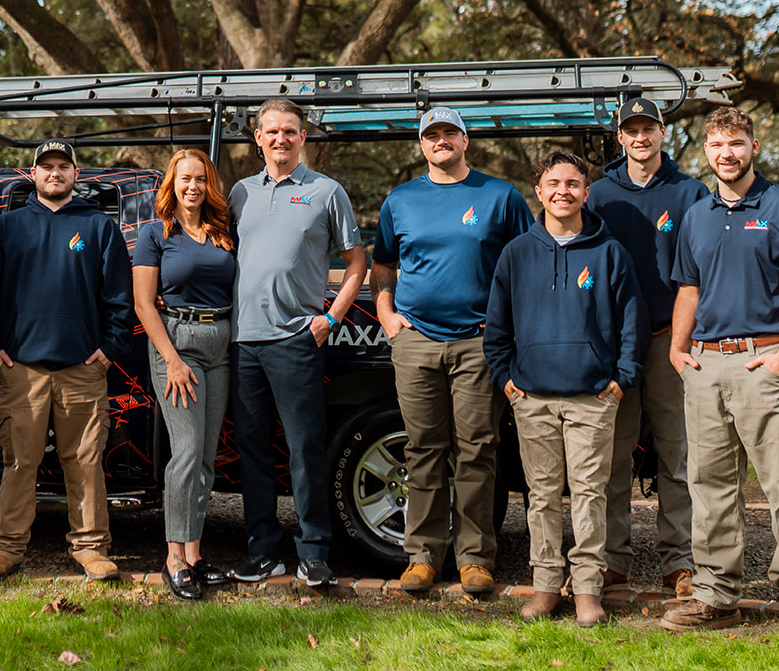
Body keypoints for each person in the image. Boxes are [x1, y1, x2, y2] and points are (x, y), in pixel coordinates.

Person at [660, 108, 779, 642]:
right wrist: (678, 349)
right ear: (705, 151)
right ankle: (715, 596)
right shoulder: (697, 215)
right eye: (716, 145)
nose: (726, 153)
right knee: (709, 486)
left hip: (765, 363)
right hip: (706, 366)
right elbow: (689, 288)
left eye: (735, 143)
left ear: (754, 147)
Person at [370, 106, 531, 594]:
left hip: (478, 342)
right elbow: (383, 263)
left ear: (465, 140)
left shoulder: (500, 196)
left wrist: (507, 326)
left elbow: (527, 262)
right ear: (422, 144)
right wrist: (387, 314)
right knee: (423, 449)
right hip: (416, 340)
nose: (440, 141)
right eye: (431, 135)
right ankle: (422, 556)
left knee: (477, 450)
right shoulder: (400, 200)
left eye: (449, 133)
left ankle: (475, 558)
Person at [484, 150, 648, 626]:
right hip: (532, 397)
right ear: (538, 192)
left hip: (593, 398)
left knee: (590, 494)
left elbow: (633, 325)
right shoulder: (517, 253)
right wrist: (508, 382)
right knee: (541, 496)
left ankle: (588, 589)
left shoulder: (610, 252)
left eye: (573, 183)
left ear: (586, 192)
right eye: (553, 183)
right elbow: (496, 329)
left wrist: (621, 382)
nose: (563, 191)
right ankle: (546, 585)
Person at [0, 139, 134, 583]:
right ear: (33, 174)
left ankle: (91, 548)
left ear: (76, 174)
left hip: (82, 369)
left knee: (85, 463)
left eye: (64, 166)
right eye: (47, 167)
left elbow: (119, 299)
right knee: (19, 464)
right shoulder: (6, 229)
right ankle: (4, 549)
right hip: (20, 370)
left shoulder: (99, 227)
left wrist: (107, 352)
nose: (55, 173)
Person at [228, 98, 367, 589]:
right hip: (243, 342)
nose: (281, 139)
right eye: (272, 131)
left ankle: (314, 553)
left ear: (302, 138)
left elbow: (357, 262)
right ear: (258, 139)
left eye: (290, 131)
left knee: (304, 449)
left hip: (295, 340)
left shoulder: (326, 192)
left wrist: (331, 317)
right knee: (252, 451)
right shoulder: (240, 193)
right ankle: (263, 552)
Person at [585, 98, 708, 596]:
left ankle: (679, 561)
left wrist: (687, 338)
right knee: (612, 456)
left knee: (677, 453)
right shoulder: (598, 195)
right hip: (614, 344)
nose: (640, 137)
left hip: (668, 341)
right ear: (619, 137)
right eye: (631, 130)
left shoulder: (690, 192)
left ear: (663, 133)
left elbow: (702, 270)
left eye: (648, 128)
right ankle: (612, 558)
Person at [132, 149, 238, 601]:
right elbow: (143, 304)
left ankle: (195, 555)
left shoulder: (222, 232)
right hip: (178, 343)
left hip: (220, 343)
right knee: (187, 452)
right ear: (171, 185)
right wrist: (172, 360)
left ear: (209, 184)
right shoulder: (155, 234)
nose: (192, 186)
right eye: (184, 179)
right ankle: (173, 558)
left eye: (199, 179)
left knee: (206, 457)